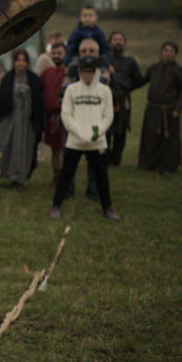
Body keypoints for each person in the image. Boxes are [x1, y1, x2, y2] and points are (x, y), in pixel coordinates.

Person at [49, 56, 119, 221]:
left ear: (96, 72)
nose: (87, 75)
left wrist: (96, 133)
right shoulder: (72, 89)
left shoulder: (104, 90)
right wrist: (80, 133)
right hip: (75, 141)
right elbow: (66, 115)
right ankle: (56, 206)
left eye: (90, 71)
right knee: (66, 174)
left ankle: (107, 207)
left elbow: (108, 116)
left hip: (97, 141)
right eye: (84, 71)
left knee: (101, 176)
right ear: (80, 72)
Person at [0, 49, 43, 186]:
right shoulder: (7, 79)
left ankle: (18, 177)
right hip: (8, 121)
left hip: (26, 123)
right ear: (14, 62)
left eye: (24, 60)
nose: (21, 63)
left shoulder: (34, 80)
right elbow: (0, 101)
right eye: (18, 60)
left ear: (28, 63)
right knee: (3, 145)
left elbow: (38, 103)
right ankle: (0, 171)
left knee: (22, 148)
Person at [138, 41, 182, 173]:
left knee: (168, 140)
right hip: (152, 109)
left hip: (169, 111)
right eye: (165, 49)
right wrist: (124, 85)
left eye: (171, 50)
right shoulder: (154, 68)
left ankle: (167, 166)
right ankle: (148, 164)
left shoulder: (178, 70)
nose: (168, 52)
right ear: (161, 51)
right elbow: (142, 81)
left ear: (175, 54)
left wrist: (178, 109)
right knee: (151, 139)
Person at [107, 31, 144, 166]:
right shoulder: (105, 59)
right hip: (106, 99)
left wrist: (126, 89)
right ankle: (105, 158)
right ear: (109, 42)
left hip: (123, 101)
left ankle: (116, 160)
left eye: (120, 39)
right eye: (115, 39)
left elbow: (138, 80)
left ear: (124, 43)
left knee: (120, 130)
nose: (118, 41)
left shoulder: (131, 61)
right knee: (105, 130)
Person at [40, 42, 68, 185]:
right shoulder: (47, 72)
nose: (56, 56)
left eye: (60, 53)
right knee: (54, 151)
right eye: (54, 53)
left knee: (62, 150)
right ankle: (56, 177)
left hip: (64, 118)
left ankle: (64, 179)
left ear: (65, 54)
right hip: (50, 118)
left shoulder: (68, 73)